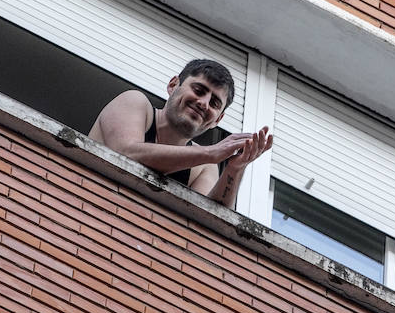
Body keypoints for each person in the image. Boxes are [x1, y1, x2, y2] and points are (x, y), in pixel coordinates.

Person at [89, 59, 273, 208]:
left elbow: (210, 220)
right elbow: (125, 153)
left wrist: (235, 169)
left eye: (215, 103)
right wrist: (211, 153)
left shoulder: (204, 167)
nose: (204, 103)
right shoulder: (134, 102)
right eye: (199, 90)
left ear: (217, 120)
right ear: (173, 85)